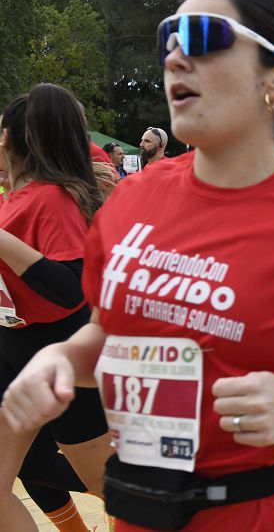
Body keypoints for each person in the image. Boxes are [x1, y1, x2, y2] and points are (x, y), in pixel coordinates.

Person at [1, 0, 274, 531]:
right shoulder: (131, 199)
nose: (176, 57)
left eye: (203, 37)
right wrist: (60, 361)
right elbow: (106, 333)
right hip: (145, 509)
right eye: (168, 42)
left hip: (272, 513)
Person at [0, 84, 111, 532]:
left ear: (12, 138)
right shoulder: (14, 198)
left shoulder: (51, 197)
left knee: (110, 482)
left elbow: (69, 289)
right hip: (14, 352)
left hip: (59, 353)